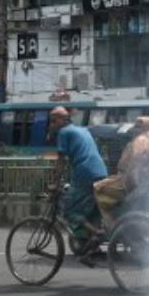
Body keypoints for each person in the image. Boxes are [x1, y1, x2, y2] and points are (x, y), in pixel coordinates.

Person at [47, 106, 109, 248]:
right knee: (92, 210)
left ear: (63, 120)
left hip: (84, 172)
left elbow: (61, 160)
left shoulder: (63, 132)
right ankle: (91, 245)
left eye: (54, 121)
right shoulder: (82, 130)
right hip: (100, 170)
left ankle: (97, 233)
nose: (52, 124)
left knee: (69, 210)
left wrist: (55, 183)